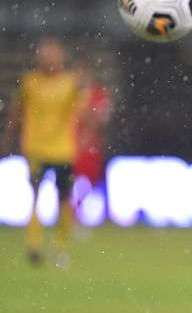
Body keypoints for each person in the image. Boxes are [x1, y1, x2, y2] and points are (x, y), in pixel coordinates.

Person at [0, 38, 83, 267]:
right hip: (35, 148)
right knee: (35, 196)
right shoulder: (29, 82)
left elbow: (82, 113)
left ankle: (60, 248)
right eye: (45, 53)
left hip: (63, 149)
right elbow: (17, 112)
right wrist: (7, 139)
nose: (48, 58)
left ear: (61, 57)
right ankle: (34, 244)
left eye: (53, 54)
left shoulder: (70, 83)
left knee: (63, 199)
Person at [72, 58, 113, 206]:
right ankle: (72, 216)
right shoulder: (67, 95)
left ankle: (101, 213)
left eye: (82, 72)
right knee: (69, 185)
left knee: (92, 183)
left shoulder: (99, 94)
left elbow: (103, 122)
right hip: (68, 147)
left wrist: (85, 109)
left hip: (92, 149)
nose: (79, 76)